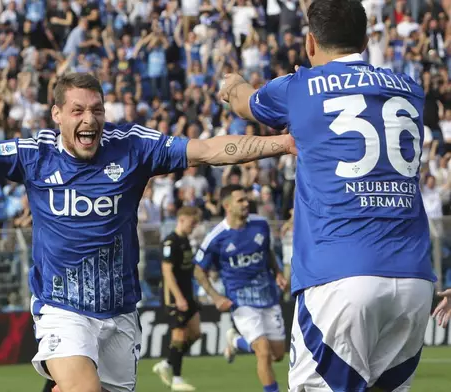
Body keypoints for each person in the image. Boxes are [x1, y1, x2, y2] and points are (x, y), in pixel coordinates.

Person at [0, 72, 295, 392]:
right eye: (77, 110)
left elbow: (209, 149)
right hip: (61, 308)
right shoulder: (34, 155)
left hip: (119, 312)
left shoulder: (132, 147)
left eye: (96, 109)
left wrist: (282, 142)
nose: (89, 120)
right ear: (56, 114)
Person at [217, 0, 436, 390]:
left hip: (339, 276)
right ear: (366, 39)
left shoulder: (299, 88)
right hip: (414, 278)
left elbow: (243, 103)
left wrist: (231, 82)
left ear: (310, 43)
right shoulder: (410, 89)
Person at [194, 185, 287, 392]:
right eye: (240, 201)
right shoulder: (216, 237)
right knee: (262, 352)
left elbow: (268, 252)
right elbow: (199, 271)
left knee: (277, 354)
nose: (246, 204)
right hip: (241, 300)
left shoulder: (261, 224)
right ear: (227, 205)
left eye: (246, 200)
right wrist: (216, 297)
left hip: (268, 296)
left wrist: (278, 273)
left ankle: (236, 341)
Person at [152, 206, 202, 392]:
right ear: (182, 219)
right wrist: (179, 298)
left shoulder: (185, 241)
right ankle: (177, 380)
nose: (194, 226)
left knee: (196, 333)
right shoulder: (170, 243)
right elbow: (167, 272)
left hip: (188, 294)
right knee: (179, 336)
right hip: (175, 297)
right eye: (192, 222)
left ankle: (166, 363)